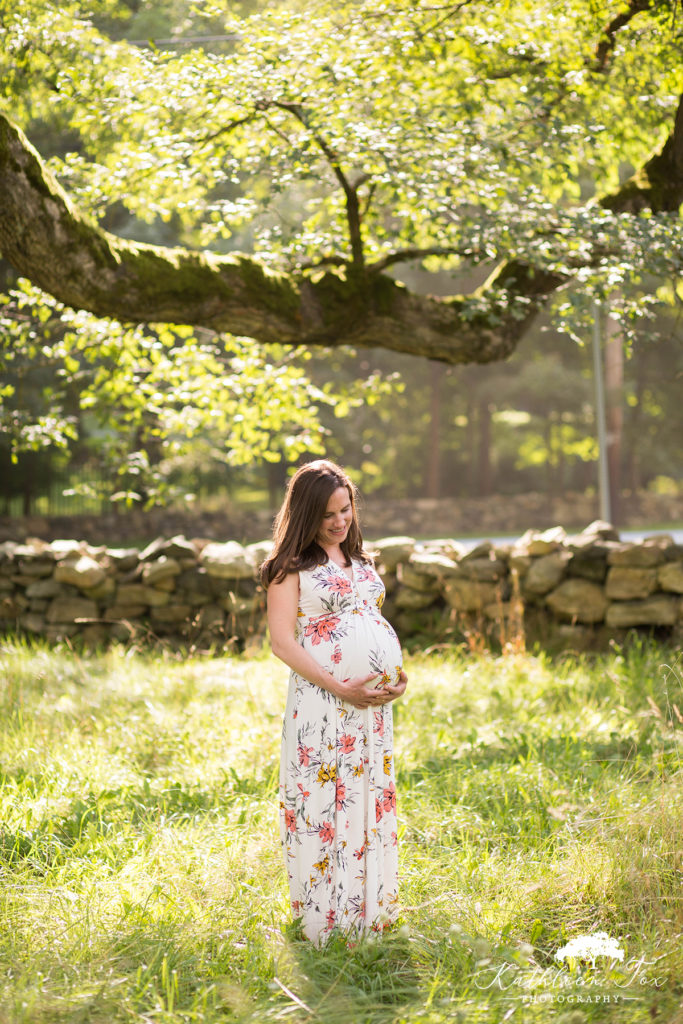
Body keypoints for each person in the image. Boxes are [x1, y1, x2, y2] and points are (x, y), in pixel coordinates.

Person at [261, 459, 408, 945]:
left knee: (368, 800)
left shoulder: (362, 562)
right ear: (305, 514)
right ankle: (325, 924)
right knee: (325, 803)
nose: (339, 521)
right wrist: (340, 686)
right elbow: (282, 642)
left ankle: (371, 914)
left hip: (371, 711)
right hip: (323, 707)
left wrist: (394, 677)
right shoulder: (290, 568)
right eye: (327, 514)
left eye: (345, 509)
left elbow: (369, 623)